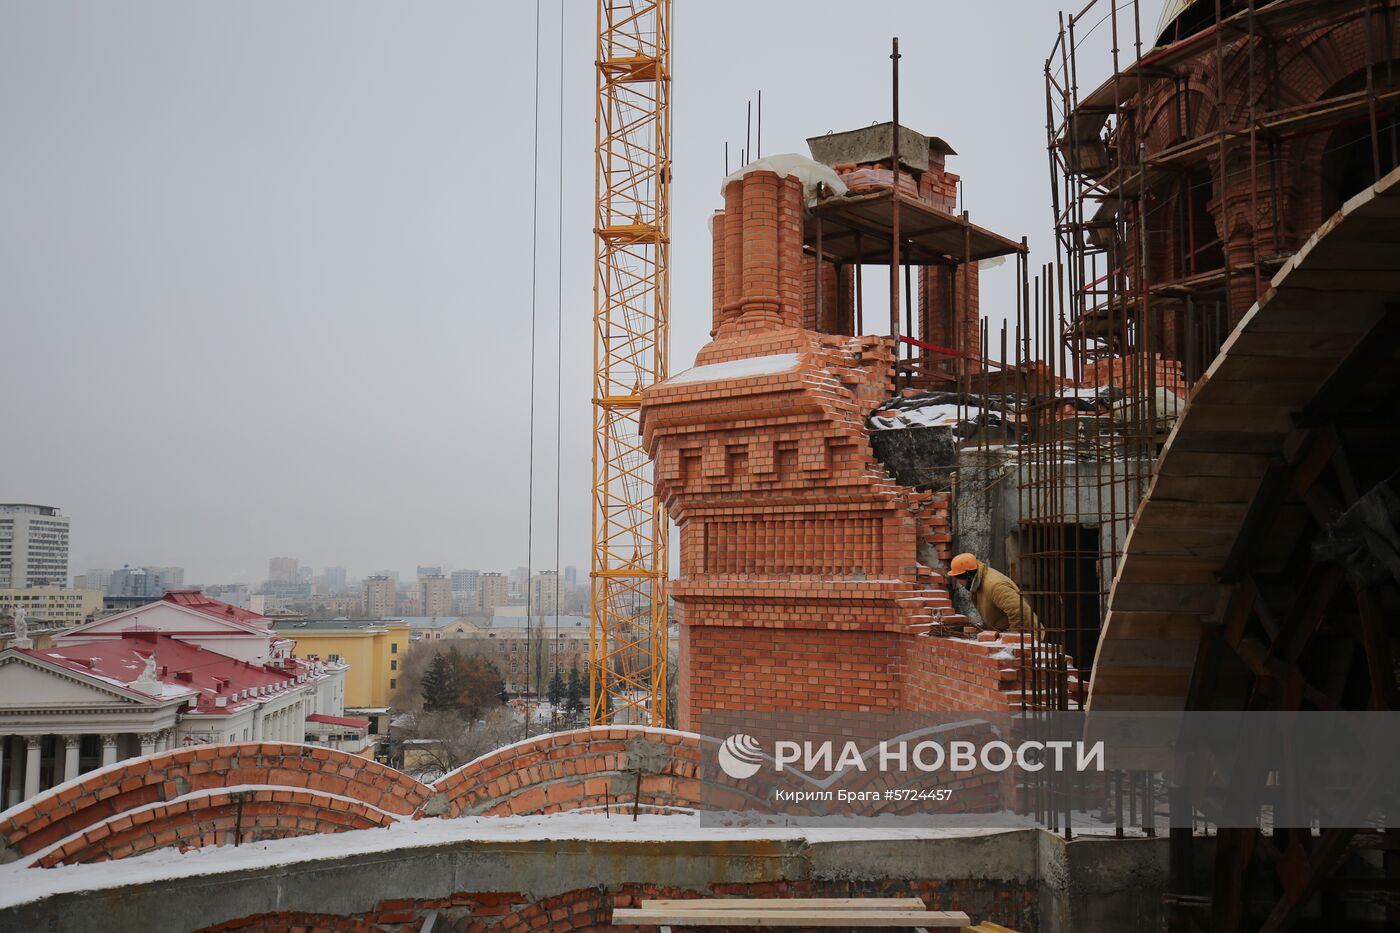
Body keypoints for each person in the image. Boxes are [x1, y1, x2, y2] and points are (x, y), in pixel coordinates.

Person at [947, 553, 1044, 638]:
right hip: (1006, 632)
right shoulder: (978, 582)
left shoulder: (995, 586)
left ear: (968, 576)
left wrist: (1013, 638)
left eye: (959, 578)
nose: (959, 583)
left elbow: (1019, 611)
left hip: (1028, 636)